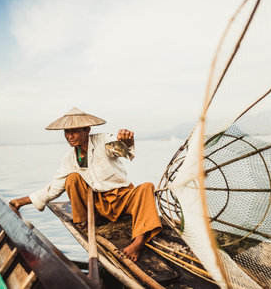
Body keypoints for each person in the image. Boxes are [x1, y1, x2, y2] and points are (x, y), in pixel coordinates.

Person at [9, 107, 162, 262]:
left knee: (147, 187)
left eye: (74, 131)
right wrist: (21, 201)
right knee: (72, 178)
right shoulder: (69, 158)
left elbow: (121, 148)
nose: (69, 136)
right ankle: (85, 220)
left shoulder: (104, 140)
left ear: (87, 130)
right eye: (66, 133)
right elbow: (53, 189)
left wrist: (127, 141)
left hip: (122, 198)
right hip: (98, 205)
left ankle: (138, 242)